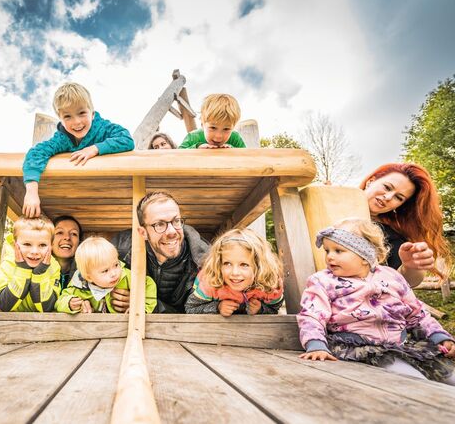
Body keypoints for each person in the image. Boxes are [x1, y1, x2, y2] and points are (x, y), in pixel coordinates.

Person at [298, 218, 455, 385]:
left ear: (365, 256)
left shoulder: (391, 277)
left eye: (338, 251)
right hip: (357, 348)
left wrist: (439, 336)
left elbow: (417, 314)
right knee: (412, 380)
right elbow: (312, 315)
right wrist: (316, 345)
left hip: (402, 345)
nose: (330, 257)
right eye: (327, 251)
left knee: (449, 375)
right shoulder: (322, 281)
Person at [23, 82, 134, 217]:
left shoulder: (103, 128)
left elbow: (126, 139)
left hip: (113, 191)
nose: (76, 122)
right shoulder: (62, 139)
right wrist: (31, 192)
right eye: (67, 116)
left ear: (92, 114)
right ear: (61, 119)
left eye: (81, 113)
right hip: (78, 195)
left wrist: (95, 148)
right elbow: (36, 153)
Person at [111, 191, 210, 313]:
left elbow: (196, 314)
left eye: (176, 221)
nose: (172, 231)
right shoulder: (119, 250)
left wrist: (143, 303)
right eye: (159, 224)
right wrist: (83, 301)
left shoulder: (205, 262)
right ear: (143, 233)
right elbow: (85, 275)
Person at [360, 163, 451, 287]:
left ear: (400, 205)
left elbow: (406, 281)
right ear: (371, 181)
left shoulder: (391, 238)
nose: (388, 197)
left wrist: (411, 267)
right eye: (387, 187)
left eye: (399, 197)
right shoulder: (327, 204)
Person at [185, 228, 284, 315]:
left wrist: (260, 309)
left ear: (259, 266)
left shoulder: (270, 285)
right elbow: (191, 308)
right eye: (227, 263)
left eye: (244, 265)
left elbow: (274, 308)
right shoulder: (210, 282)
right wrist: (217, 307)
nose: (235, 272)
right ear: (219, 264)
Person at [55, 237, 157, 314]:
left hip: (125, 327)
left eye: (116, 265)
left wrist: (141, 308)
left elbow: (148, 284)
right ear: (89, 277)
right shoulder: (78, 286)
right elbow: (59, 302)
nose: (114, 273)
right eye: (105, 271)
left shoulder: (126, 277)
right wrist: (70, 303)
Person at [0, 215, 61, 312]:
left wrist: (40, 274)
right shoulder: (8, 263)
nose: (34, 251)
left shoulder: (53, 267)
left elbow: (47, 308)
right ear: (15, 244)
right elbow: (3, 305)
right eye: (27, 244)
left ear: (51, 246)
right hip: (9, 323)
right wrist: (22, 271)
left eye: (42, 245)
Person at [179, 93, 246, 149]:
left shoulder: (235, 138)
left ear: (233, 127)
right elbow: (178, 154)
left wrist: (232, 150)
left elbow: (246, 156)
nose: (218, 136)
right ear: (202, 124)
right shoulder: (193, 137)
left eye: (226, 129)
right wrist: (197, 147)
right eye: (213, 128)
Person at [52, 215, 83, 289]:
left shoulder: (85, 274)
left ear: (79, 242)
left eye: (73, 234)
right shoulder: (37, 271)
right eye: (60, 232)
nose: (67, 237)